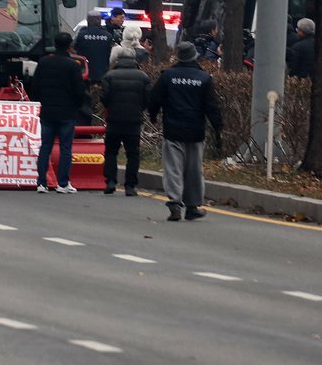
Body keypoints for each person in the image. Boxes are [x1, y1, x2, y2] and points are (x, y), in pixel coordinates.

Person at [148, 42, 223, 221]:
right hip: (195, 130)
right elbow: (211, 106)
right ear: (194, 56)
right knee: (194, 169)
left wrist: (153, 114)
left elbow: (154, 98)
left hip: (172, 128)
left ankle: (174, 203)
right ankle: (192, 206)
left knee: (173, 168)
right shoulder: (204, 78)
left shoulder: (168, 76)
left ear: (178, 56)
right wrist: (218, 127)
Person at [30, 32, 86, 193]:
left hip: (47, 111)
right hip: (67, 113)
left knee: (45, 147)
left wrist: (42, 101)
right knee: (65, 148)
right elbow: (79, 90)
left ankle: (41, 183)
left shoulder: (44, 62)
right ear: (70, 46)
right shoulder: (72, 65)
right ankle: (63, 183)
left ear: (54, 44)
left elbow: (35, 86)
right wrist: (76, 106)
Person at [100, 46, 152, 195]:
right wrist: (139, 109)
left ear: (119, 59)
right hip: (133, 121)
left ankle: (110, 181)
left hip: (114, 119)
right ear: (134, 59)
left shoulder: (110, 75)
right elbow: (148, 98)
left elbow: (104, 97)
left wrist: (110, 107)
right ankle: (130, 186)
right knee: (133, 153)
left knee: (111, 151)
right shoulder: (143, 77)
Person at [73, 14, 114, 86]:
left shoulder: (81, 35)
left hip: (84, 73)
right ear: (100, 21)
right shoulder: (108, 35)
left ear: (88, 20)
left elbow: (74, 49)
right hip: (103, 73)